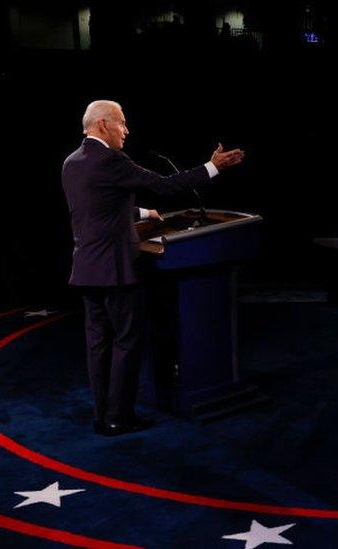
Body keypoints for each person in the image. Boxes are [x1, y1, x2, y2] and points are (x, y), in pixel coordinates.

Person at [62, 100, 244, 435]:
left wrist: (144, 214)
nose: (126, 131)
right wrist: (213, 166)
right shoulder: (112, 160)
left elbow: (97, 211)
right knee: (126, 342)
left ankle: (102, 414)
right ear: (103, 124)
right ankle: (119, 417)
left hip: (86, 269)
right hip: (116, 270)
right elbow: (165, 185)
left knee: (98, 344)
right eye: (122, 123)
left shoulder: (72, 163)